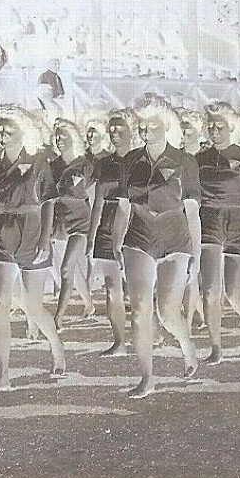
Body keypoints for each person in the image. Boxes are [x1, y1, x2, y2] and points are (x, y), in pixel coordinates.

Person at [109, 93, 202, 398]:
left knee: (166, 312)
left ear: (167, 126)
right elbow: (122, 208)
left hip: (175, 238)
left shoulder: (184, 161)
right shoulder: (130, 161)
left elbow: (193, 213)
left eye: (152, 125)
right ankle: (147, 377)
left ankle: (187, 345)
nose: (146, 131)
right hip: (138, 236)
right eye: (142, 126)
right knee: (138, 310)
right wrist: (116, 244)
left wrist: (196, 258)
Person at [0, 106, 65, 394]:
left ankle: (55, 344)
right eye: (0, 129)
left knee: (32, 305)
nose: (2, 133)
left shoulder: (39, 160)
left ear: (23, 131)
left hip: (31, 230)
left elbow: (49, 202)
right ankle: (3, 374)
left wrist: (44, 238)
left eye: (8, 129)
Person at [194, 102, 240, 362]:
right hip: (209, 220)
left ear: (231, 127)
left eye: (219, 126)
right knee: (210, 289)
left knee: (233, 290)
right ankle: (216, 346)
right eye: (211, 126)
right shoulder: (199, 158)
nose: (214, 130)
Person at [86, 110, 137, 357]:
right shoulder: (104, 164)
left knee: (140, 286)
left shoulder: (142, 160)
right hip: (107, 223)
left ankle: (154, 332)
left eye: (120, 129)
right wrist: (91, 236)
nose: (115, 134)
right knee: (111, 288)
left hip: (135, 223)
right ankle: (119, 341)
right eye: (112, 130)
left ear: (132, 130)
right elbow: (97, 201)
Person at [49, 117, 96, 329]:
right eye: (57, 136)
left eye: (64, 136)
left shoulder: (85, 165)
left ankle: (59, 316)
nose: (59, 139)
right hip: (59, 224)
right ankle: (89, 304)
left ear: (74, 138)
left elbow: (94, 199)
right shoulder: (52, 166)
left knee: (67, 267)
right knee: (69, 269)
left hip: (81, 223)